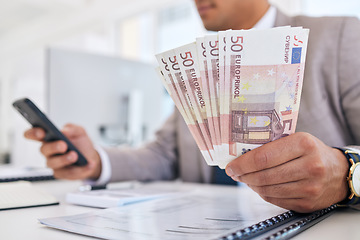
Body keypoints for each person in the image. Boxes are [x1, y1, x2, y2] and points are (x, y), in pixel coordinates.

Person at [24, 0, 360, 213]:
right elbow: (163, 155)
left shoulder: (342, 37)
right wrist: (96, 160)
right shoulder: (200, 67)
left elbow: (347, 169)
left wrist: (347, 174)